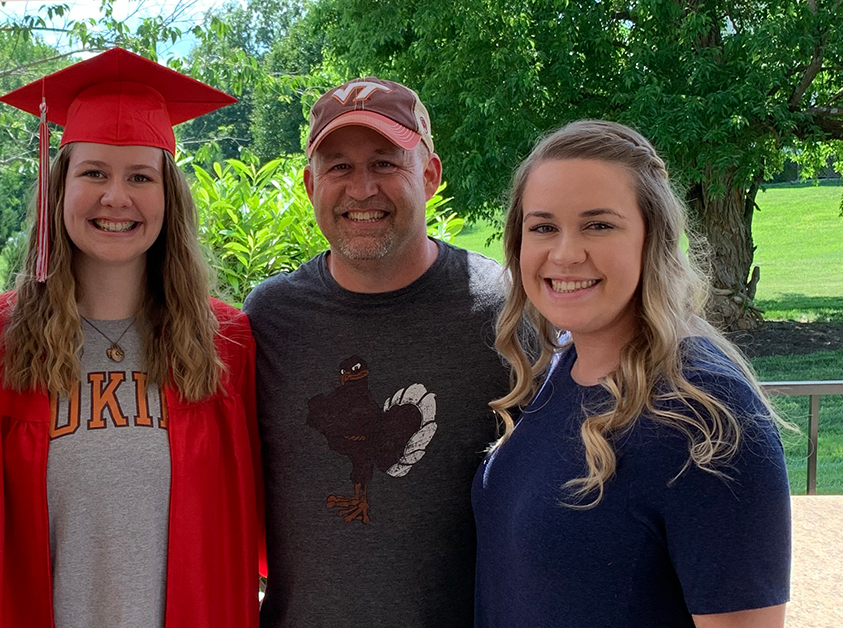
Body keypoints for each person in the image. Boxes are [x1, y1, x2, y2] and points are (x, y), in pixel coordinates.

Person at [0, 47, 262, 628]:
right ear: (57, 188)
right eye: (94, 173)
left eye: (140, 176)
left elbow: (251, 516)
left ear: (169, 198)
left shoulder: (225, 344)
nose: (117, 197)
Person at [472, 120, 792, 627]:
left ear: (653, 239)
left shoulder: (705, 413)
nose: (566, 253)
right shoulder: (559, 371)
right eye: (543, 227)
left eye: (599, 225)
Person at [243, 77, 508, 627]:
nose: (361, 189)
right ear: (310, 185)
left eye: (386, 163)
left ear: (430, 175)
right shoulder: (268, 320)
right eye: (338, 166)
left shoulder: (503, 310)